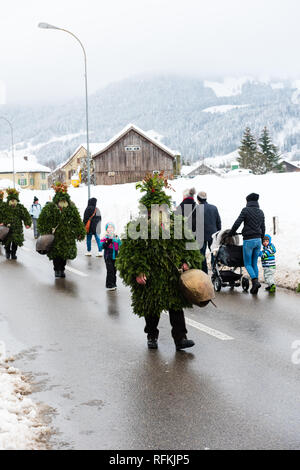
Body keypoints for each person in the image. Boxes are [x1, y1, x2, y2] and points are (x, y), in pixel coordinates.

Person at [116, 172, 203, 351]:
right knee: (152, 310)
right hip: (151, 278)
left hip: (172, 277)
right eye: (155, 211)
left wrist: (187, 262)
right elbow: (127, 256)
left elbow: (190, 248)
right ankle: (152, 335)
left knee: (176, 309)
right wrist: (137, 272)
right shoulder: (138, 229)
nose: (159, 213)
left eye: (162, 210)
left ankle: (180, 339)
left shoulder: (176, 226)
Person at [37, 182, 86, 278]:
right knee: (56, 254)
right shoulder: (50, 208)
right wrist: (46, 231)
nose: (63, 203)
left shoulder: (71, 208)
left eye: (64, 201)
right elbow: (42, 220)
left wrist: (79, 232)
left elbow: (76, 220)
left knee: (64, 254)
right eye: (61, 201)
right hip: (55, 237)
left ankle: (62, 269)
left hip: (67, 236)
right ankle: (57, 270)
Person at [228, 193, 265, 294]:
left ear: (248, 201)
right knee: (254, 264)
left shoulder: (246, 210)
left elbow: (237, 223)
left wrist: (231, 233)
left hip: (248, 241)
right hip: (258, 241)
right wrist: (261, 239)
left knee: (247, 263)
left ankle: (255, 281)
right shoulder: (261, 212)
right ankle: (254, 287)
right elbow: (263, 227)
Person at [0, 188, 31, 260]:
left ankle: (13, 253)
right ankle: (7, 252)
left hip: (17, 229)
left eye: (14, 200)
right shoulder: (4, 207)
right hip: (6, 228)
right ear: (9, 200)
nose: (13, 202)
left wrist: (27, 223)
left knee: (15, 242)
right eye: (11, 200)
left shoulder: (20, 207)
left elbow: (26, 216)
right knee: (7, 242)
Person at [197, 191, 221, 274]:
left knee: (202, 254)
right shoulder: (214, 207)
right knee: (214, 253)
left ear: (198, 199)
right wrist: (218, 233)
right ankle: (215, 271)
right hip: (213, 234)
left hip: (201, 235)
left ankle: (204, 272)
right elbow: (218, 222)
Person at [99, 223, 121, 291]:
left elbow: (120, 245)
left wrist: (118, 240)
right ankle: (109, 285)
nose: (110, 228)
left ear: (114, 229)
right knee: (110, 271)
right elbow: (101, 246)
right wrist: (108, 241)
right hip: (108, 257)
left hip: (115, 257)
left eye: (112, 227)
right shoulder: (105, 237)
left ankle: (113, 283)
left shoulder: (116, 237)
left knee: (114, 271)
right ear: (106, 230)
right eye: (108, 227)